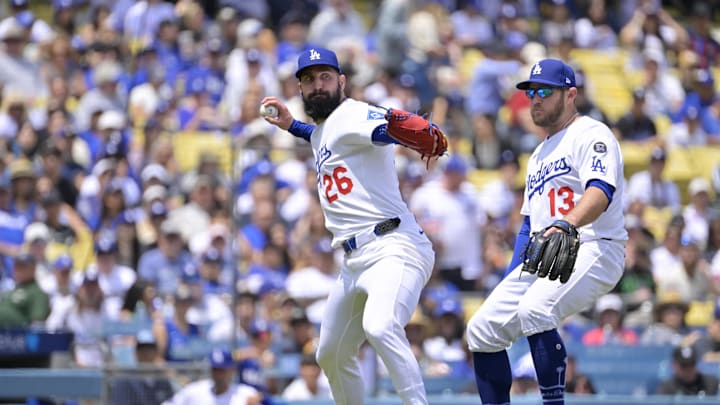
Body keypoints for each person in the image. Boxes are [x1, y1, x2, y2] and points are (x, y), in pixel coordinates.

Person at [261, 47, 442, 405]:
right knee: (330, 353)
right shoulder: (324, 128)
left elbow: (385, 127)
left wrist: (409, 130)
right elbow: (323, 138)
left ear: (341, 81)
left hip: (394, 246)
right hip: (355, 261)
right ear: (300, 89)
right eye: (309, 80)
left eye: (325, 77)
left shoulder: (353, 113)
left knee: (380, 325)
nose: (318, 85)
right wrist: (291, 125)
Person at [466, 59, 628, 405]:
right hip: (544, 254)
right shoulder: (538, 154)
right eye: (530, 92)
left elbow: (600, 190)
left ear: (570, 95)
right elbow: (527, 226)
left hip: (594, 245)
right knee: (482, 330)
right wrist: (512, 280)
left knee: (535, 310)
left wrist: (567, 222)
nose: (534, 99)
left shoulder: (591, 133)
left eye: (544, 91)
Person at [164, 348, 261, 405]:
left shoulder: (246, 394)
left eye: (222, 370)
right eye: (215, 369)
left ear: (232, 370)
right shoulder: (194, 391)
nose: (219, 374)